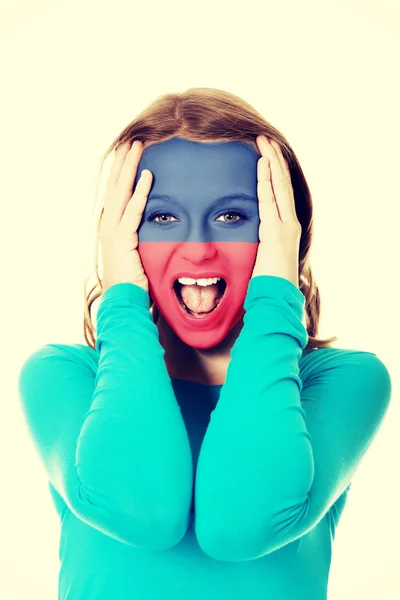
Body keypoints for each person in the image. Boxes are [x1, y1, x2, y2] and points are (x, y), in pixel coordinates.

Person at [18, 88, 392, 600]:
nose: (197, 249)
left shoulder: (342, 381)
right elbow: (140, 510)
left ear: (281, 236)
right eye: (163, 218)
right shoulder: (62, 376)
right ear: (120, 237)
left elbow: (243, 525)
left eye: (233, 217)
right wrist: (122, 302)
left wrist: (276, 298)